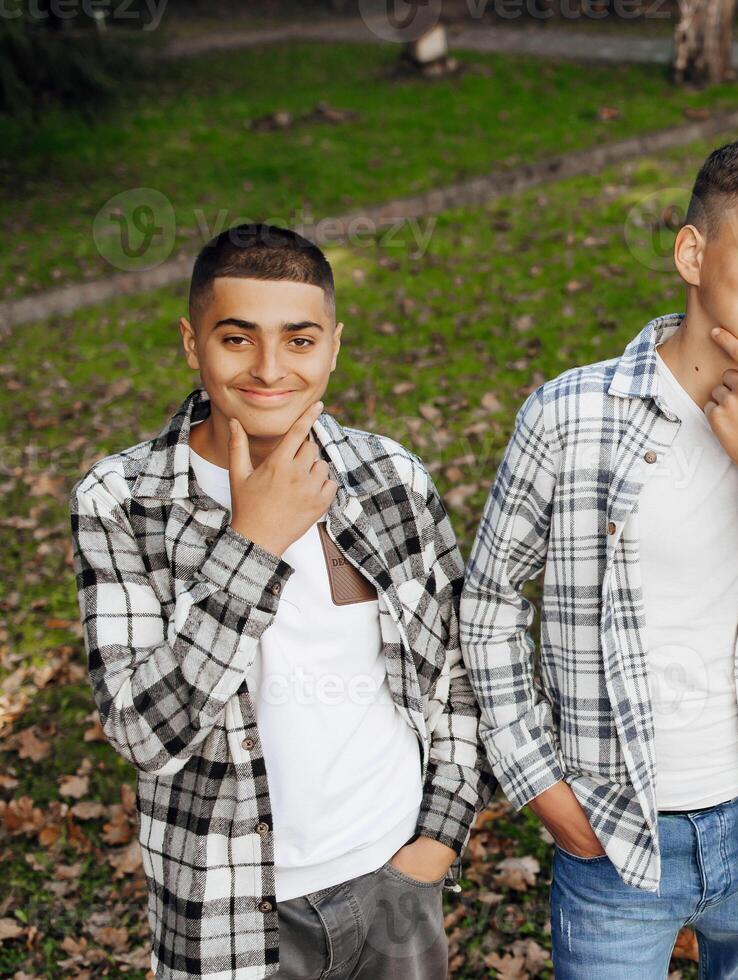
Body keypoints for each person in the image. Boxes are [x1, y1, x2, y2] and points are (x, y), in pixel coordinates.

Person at [461, 137, 738, 978]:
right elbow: (489, 601)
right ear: (693, 253)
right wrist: (539, 782)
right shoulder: (569, 416)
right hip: (614, 834)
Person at [70, 224, 487, 980]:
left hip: (393, 879)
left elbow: (456, 671)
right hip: (226, 906)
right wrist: (252, 544)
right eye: (237, 339)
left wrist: (437, 839)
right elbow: (141, 732)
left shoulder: (389, 474)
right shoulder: (122, 501)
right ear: (193, 344)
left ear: (332, 345)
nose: (269, 369)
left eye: (298, 341)